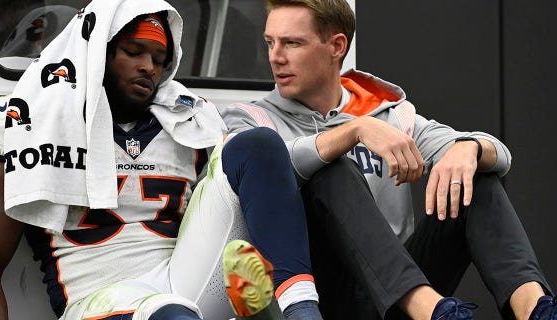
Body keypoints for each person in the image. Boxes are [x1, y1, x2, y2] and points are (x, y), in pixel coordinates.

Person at [0, 0, 323, 319]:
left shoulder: (186, 121)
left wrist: (340, 138)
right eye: (134, 52)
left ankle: (302, 310)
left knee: (258, 144)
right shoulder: (33, 120)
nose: (149, 66)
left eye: (159, 59)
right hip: (96, 298)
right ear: (98, 50)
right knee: (171, 315)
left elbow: (266, 180)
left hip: (184, 279)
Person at [219, 0, 557, 319]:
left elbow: (501, 154)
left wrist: (467, 149)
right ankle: (429, 310)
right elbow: (268, 169)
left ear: (337, 47)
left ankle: (534, 308)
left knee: (475, 174)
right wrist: (352, 133)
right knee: (331, 168)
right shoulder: (249, 120)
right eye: (269, 43)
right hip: (320, 298)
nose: (275, 57)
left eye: (292, 43)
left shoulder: (391, 115)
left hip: (397, 294)